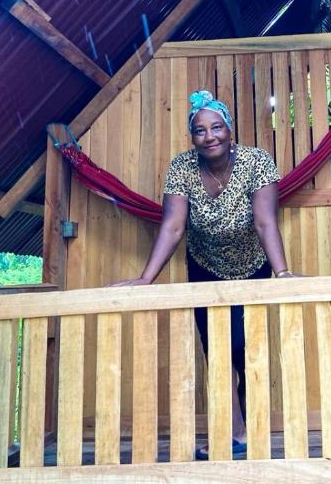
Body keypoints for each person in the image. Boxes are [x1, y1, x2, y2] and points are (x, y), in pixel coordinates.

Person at [113, 89, 297, 460]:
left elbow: (265, 222)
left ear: (230, 130)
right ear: (192, 137)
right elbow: (173, 227)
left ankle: (251, 431)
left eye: (217, 127)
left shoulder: (257, 161)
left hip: (251, 268)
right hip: (205, 268)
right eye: (200, 130)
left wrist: (283, 272)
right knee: (217, 352)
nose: (209, 135)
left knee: (248, 351)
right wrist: (146, 278)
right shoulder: (182, 167)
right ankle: (233, 432)